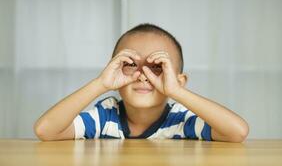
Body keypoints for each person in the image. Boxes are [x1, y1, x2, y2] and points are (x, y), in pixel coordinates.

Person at [34, 23, 249, 142]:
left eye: (158, 67)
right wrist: (101, 83)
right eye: (130, 64)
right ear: (114, 72)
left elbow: (237, 132)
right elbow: (46, 131)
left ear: (179, 80)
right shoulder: (105, 116)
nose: (144, 75)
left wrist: (177, 91)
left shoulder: (181, 120)